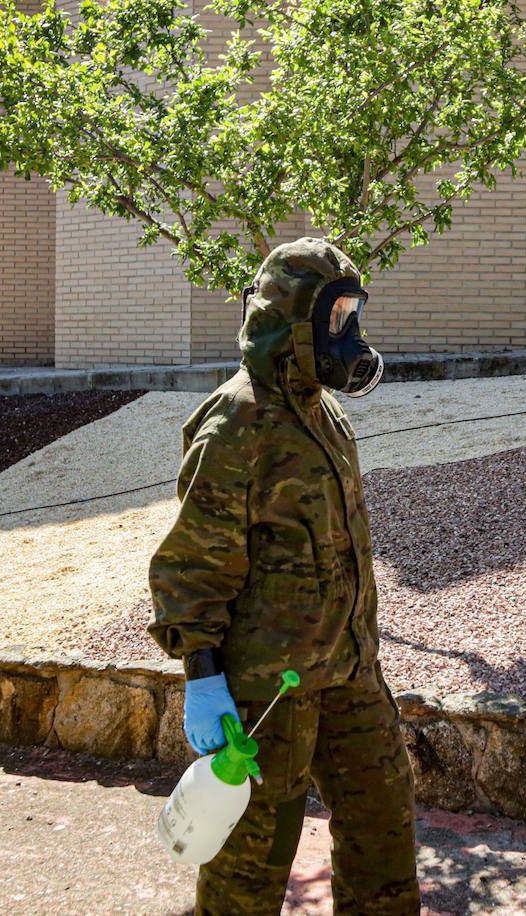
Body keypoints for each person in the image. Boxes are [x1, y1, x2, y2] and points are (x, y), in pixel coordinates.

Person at [148, 237, 419, 915]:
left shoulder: (327, 414)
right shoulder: (238, 419)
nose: (349, 334)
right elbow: (193, 560)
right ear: (291, 321)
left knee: (383, 833)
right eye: (335, 318)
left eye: (352, 314)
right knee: (251, 869)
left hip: (350, 672)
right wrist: (204, 677)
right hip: (269, 693)